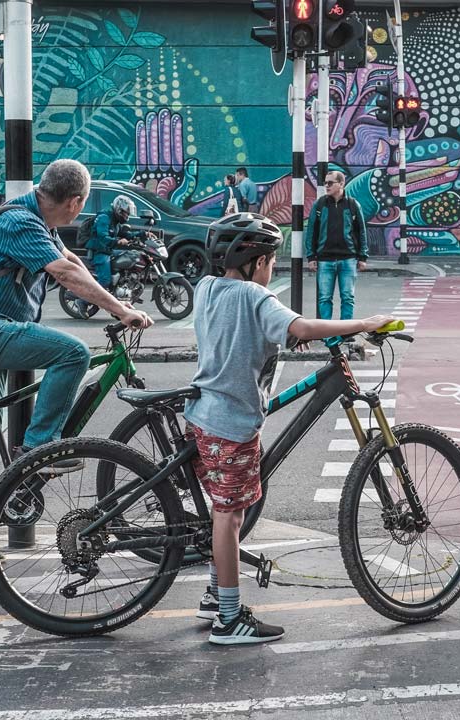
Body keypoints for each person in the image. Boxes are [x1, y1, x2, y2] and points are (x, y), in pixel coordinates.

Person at [185, 212, 392, 645]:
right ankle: (228, 618)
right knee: (229, 516)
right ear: (256, 262)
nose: (272, 268)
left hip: (203, 415)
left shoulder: (207, 287)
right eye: (271, 260)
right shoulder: (253, 297)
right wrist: (362, 323)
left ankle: (212, 593)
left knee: (224, 508)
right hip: (230, 424)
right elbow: (300, 328)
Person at [0, 160, 153, 559]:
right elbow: (64, 274)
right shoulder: (20, 223)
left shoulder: (38, 221)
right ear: (75, 202)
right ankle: (39, 450)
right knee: (73, 353)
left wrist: (116, 304)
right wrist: (121, 313)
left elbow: (71, 262)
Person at [306, 171, 369, 319]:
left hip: (348, 259)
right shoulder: (320, 205)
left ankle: (345, 332)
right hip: (325, 259)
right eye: (325, 183)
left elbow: (361, 231)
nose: (326, 186)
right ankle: (327, 334)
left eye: (330, 183)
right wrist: (311, 256)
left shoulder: (352, 204)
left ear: (341, 184)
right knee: (324, 298)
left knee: (347, 298)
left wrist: (362, 257)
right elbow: (311, 231)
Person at [87, 195, 134, 289]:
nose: (127, 216)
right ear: (119, 210)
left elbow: (124, 233)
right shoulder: (104, 218)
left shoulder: (115, 220)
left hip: (108, 251)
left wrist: (143, 234)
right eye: (126, 213)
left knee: (132, 255)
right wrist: (118, 241)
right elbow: (103, 238)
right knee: (105, 281)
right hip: (99, 252)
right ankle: (82, 302)